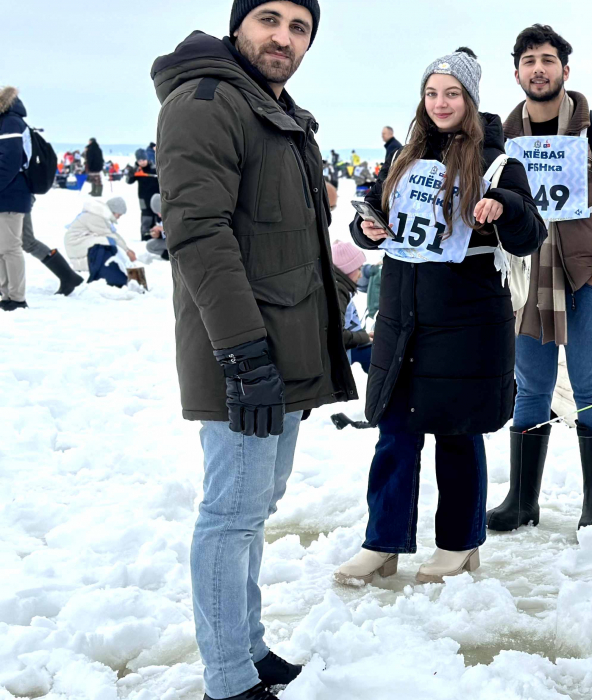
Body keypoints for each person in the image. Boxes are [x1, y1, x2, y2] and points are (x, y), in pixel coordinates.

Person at [152, 1, 357, 698]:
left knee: (254, 509)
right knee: (230, 515)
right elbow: (198, 233)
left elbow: (290, 242)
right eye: (269, 19)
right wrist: (243, 356)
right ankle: (228, 678)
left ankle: (248, 643)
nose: (284, 37)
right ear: (238, 25)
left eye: (300, 28)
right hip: (244, 351)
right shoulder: (207, 101)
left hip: (288, 347)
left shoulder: (277, 112)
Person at [335, 47, 546, 587]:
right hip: (403, 314)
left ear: (470, 99)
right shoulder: (404, 157)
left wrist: (504, 207)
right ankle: (381, 543)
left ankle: (459, 543)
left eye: (452, 93)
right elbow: (370, 219)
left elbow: (531, 233)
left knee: (457, 432)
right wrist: (370, 230)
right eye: (432, 93)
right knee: (394, 431)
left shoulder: (499, 161)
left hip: (466, 319)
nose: (440, 103)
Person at [486, 24, 592, 536]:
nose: (539, 69)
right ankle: (521, 500)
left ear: (565, 71)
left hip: (587, 275)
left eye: (548, 60)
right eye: (529, 62)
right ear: (517, 73)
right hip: (528, 277)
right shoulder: (502, 138)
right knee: (531, 387)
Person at [0, 85, 33, 311]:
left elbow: (11, 161)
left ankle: (17, 297)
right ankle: (6, 294)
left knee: (11, 247)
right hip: (8, 193)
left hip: (11, 195)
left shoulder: (10, 121)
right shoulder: (6, 121)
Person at [63, 196, 136, 287]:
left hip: (82, 240)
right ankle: (117, 275)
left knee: (110, 244)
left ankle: (122, 273)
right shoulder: (95, 216)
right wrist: (127, 251)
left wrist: (127, 250)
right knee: (108, 242)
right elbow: (111, 236)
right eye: (119, 215)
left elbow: (114, 234)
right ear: (113, 211)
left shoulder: (100, 215)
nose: (119, 217)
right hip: (75, 242)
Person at [21, 201, 85, 296]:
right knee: (18, 242)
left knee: (27, 241)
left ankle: (68, 276)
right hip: (12, 199)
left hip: (14, 200)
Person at [330, 240, 373, 372]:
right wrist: (365, 337)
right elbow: (337, 334)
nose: (361, 274)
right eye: (358, 269)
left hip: (352, 344)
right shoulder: (339, 291)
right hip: (343, 351)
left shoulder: (342, 288)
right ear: (347, 269)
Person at [125, 149, 161, 241]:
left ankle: (159, 236)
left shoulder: (154, 168)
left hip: (156, 198)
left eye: (143, 160)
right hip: (143, 199)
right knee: (146, 218)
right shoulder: (137, 170)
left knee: (158, 217)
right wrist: (131, 174)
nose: (142, 162)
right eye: (139, 161)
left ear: (147, 158)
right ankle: (146, 237)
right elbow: (129, 181)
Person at [147, 193, 169, 259]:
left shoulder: (174, 215)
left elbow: (177, 231)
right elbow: (163, 235)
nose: (159, 215)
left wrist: (161, 228)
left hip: (179, 242)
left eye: (159, 212)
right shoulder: (159, 218)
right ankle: (168, 256)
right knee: (150, 245)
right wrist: (157, 234)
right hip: (167, 242)